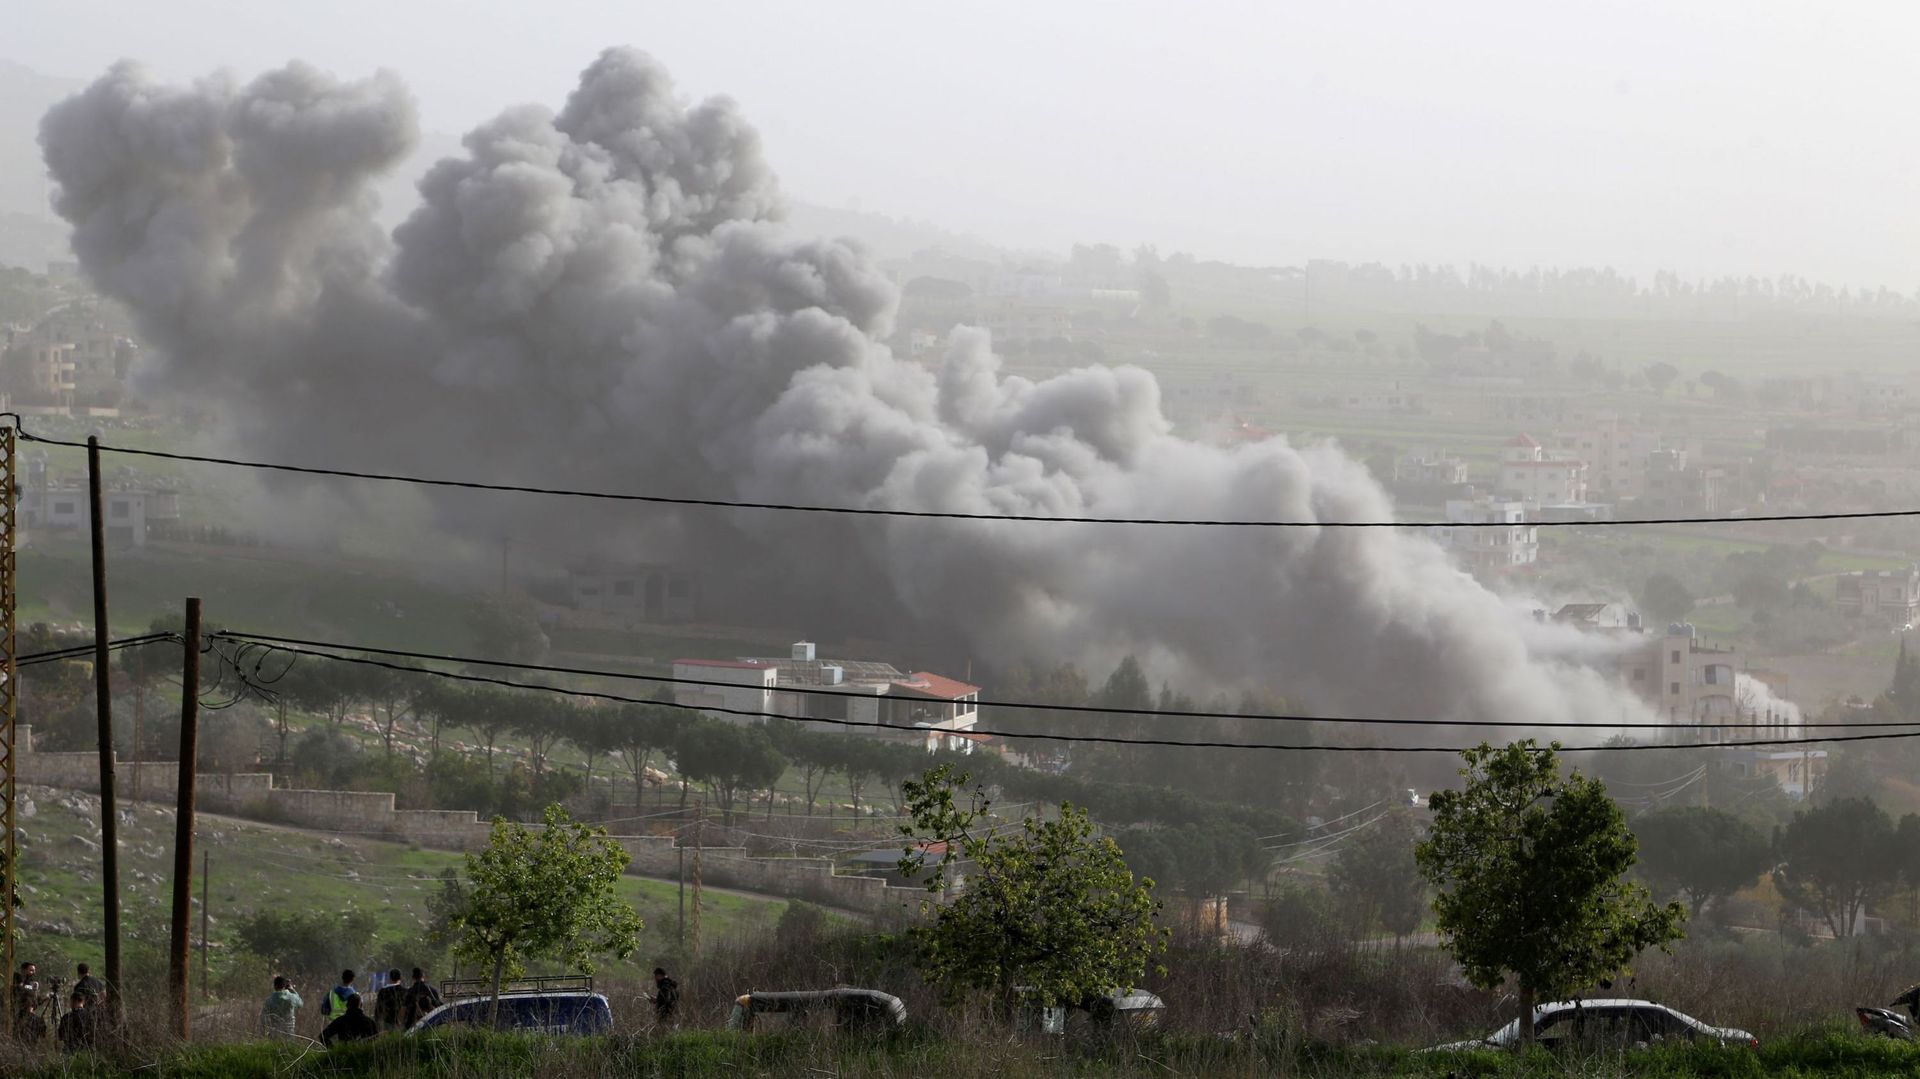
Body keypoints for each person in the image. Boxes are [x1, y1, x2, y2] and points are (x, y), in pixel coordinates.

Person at [374, 968, 407, 1033]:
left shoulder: (383, 991)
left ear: (390, 978)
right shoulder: (405, 991)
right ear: (400, 978)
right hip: (402, 1024)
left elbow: (378, 1009)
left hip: (386, 1024)